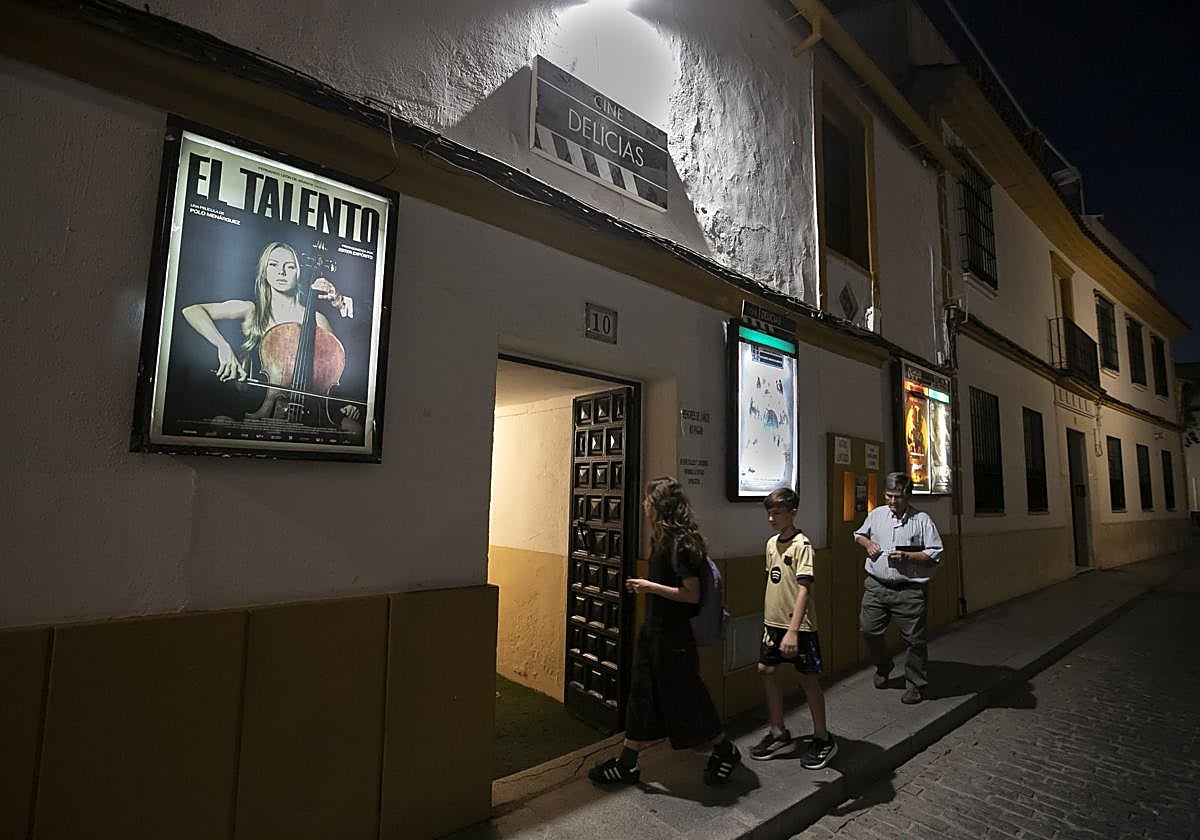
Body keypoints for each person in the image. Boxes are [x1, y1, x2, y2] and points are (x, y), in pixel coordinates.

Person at [588, 477, 741, 787]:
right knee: (642, 694)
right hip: (655, 633)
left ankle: (726, 751)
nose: (644, 505)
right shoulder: (663, 540)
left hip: (674, 637)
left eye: (648, 500)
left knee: (689, 697)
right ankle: (627, 763)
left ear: (660, 505)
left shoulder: (682, 544)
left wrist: (649, 586)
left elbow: (691, 594)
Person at [180, 241, 360, 429]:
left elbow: (330, 375)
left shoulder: (317, 320)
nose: (281, 272)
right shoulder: (251, 311)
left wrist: (344, 404)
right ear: (264, 271)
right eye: (273, 265)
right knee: (220, 424)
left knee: (354, 429)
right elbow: (192, 311)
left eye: (289, 266)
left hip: (309, 412)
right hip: (261, 409)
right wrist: (222, 346)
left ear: (299, 272)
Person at [750, 487, 836, 769]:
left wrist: (793, 630)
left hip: (798, 626)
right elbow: (772, 580)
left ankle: (822, 737)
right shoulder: (770, 544)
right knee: (766, 670)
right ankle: (778, 730)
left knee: (807, 678)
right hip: (772, 623)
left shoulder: (802, 545)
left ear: (792, 513)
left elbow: (803, 589)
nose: (771, 519)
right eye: (769, 514)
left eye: (777, 513)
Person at [852, 472, 944, 704]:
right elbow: (858, 535)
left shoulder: (922, 520)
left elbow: (935, 553)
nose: (892, 501)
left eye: (898, 497)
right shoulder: (877, 515)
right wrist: (868, 543)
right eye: (888, 496)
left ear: (908, 496)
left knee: (914, 640)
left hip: (910, 590)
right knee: (868, 629)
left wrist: (908, 556)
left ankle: (915, 684)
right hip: (877, 586)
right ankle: (884, 665)